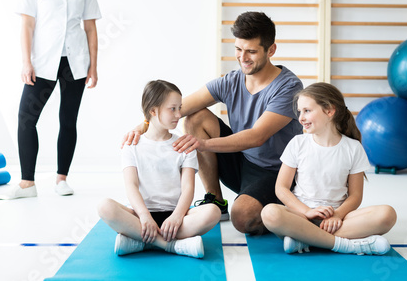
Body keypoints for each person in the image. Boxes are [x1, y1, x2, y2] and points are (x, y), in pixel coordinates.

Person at [124, 12, 303, 235]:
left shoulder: (288, 87)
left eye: (251, 51)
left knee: (243, 217)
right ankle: (216, 200)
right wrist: (144, 125)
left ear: (271, 50)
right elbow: (181, 107)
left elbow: (257, 136)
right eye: (238, 49)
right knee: (196, 118)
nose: (243, 57)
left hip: (276, 171)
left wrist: (203, 145)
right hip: (242, 162)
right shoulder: (232, 81)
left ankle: (289, 211)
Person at [0, 0, 101, 200]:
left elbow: (90, 29)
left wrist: (94, 66)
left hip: (74, 62)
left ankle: (62, 179)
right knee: (26, 118)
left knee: (67, 120)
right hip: (43, 62)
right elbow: (27, 24)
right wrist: (26, 62)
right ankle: (27, 183)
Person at [261, 82, 397, 255]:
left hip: (337, 220)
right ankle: (347, 245)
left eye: (307, 110)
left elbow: (355, 196)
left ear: (329, 111)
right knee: (270, 213)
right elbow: (281, 188)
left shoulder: (353, 148)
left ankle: (305, 238)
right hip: (300, 216)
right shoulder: (297, 143)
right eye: (300, 111)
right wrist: (308, 212)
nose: (301, 117)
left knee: (387, 214)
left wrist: (338, 215)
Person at [98, 80, 221, 259]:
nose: (179, 114)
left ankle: (141, 241)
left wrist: (177, 216)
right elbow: (131, 186)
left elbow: (188, 188)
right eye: (173, 109)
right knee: (104, 206)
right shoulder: (132, 145)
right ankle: (170, 245)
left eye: (180, 107)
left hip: (176, 219)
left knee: (213, 211)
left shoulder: (184, 145)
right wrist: (145, 217)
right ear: (153, 111)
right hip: (141, 216)